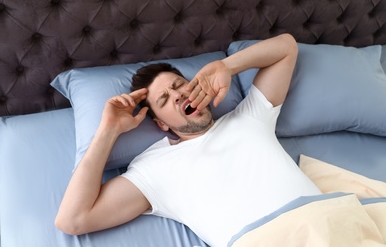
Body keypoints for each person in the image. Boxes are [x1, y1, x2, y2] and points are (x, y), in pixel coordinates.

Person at [55, 34, 321, 246]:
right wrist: (108, 130)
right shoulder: (153, 168)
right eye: (164, 100)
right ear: (161, 123)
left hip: (328, 221)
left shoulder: (250, 117)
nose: (178, 95)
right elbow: (72, 219)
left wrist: (226, 66)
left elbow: (286, 47)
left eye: (179, 84)